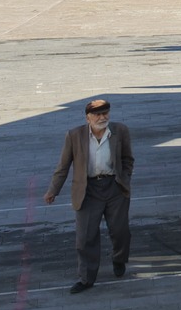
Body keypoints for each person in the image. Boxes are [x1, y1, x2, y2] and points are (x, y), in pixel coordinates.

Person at [44, 98, 134, 294]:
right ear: (88, 118)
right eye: (98, 114)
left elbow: (128, 159)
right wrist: (53, 190)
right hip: (88, 190)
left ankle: (119, 259)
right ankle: (86, 278)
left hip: (114, 187)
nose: (103, 117)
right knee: (85, 237)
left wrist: (125, 179)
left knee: (120, 232)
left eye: (105, 113)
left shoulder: (120, 131)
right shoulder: (74, 136)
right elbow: (63, 166)